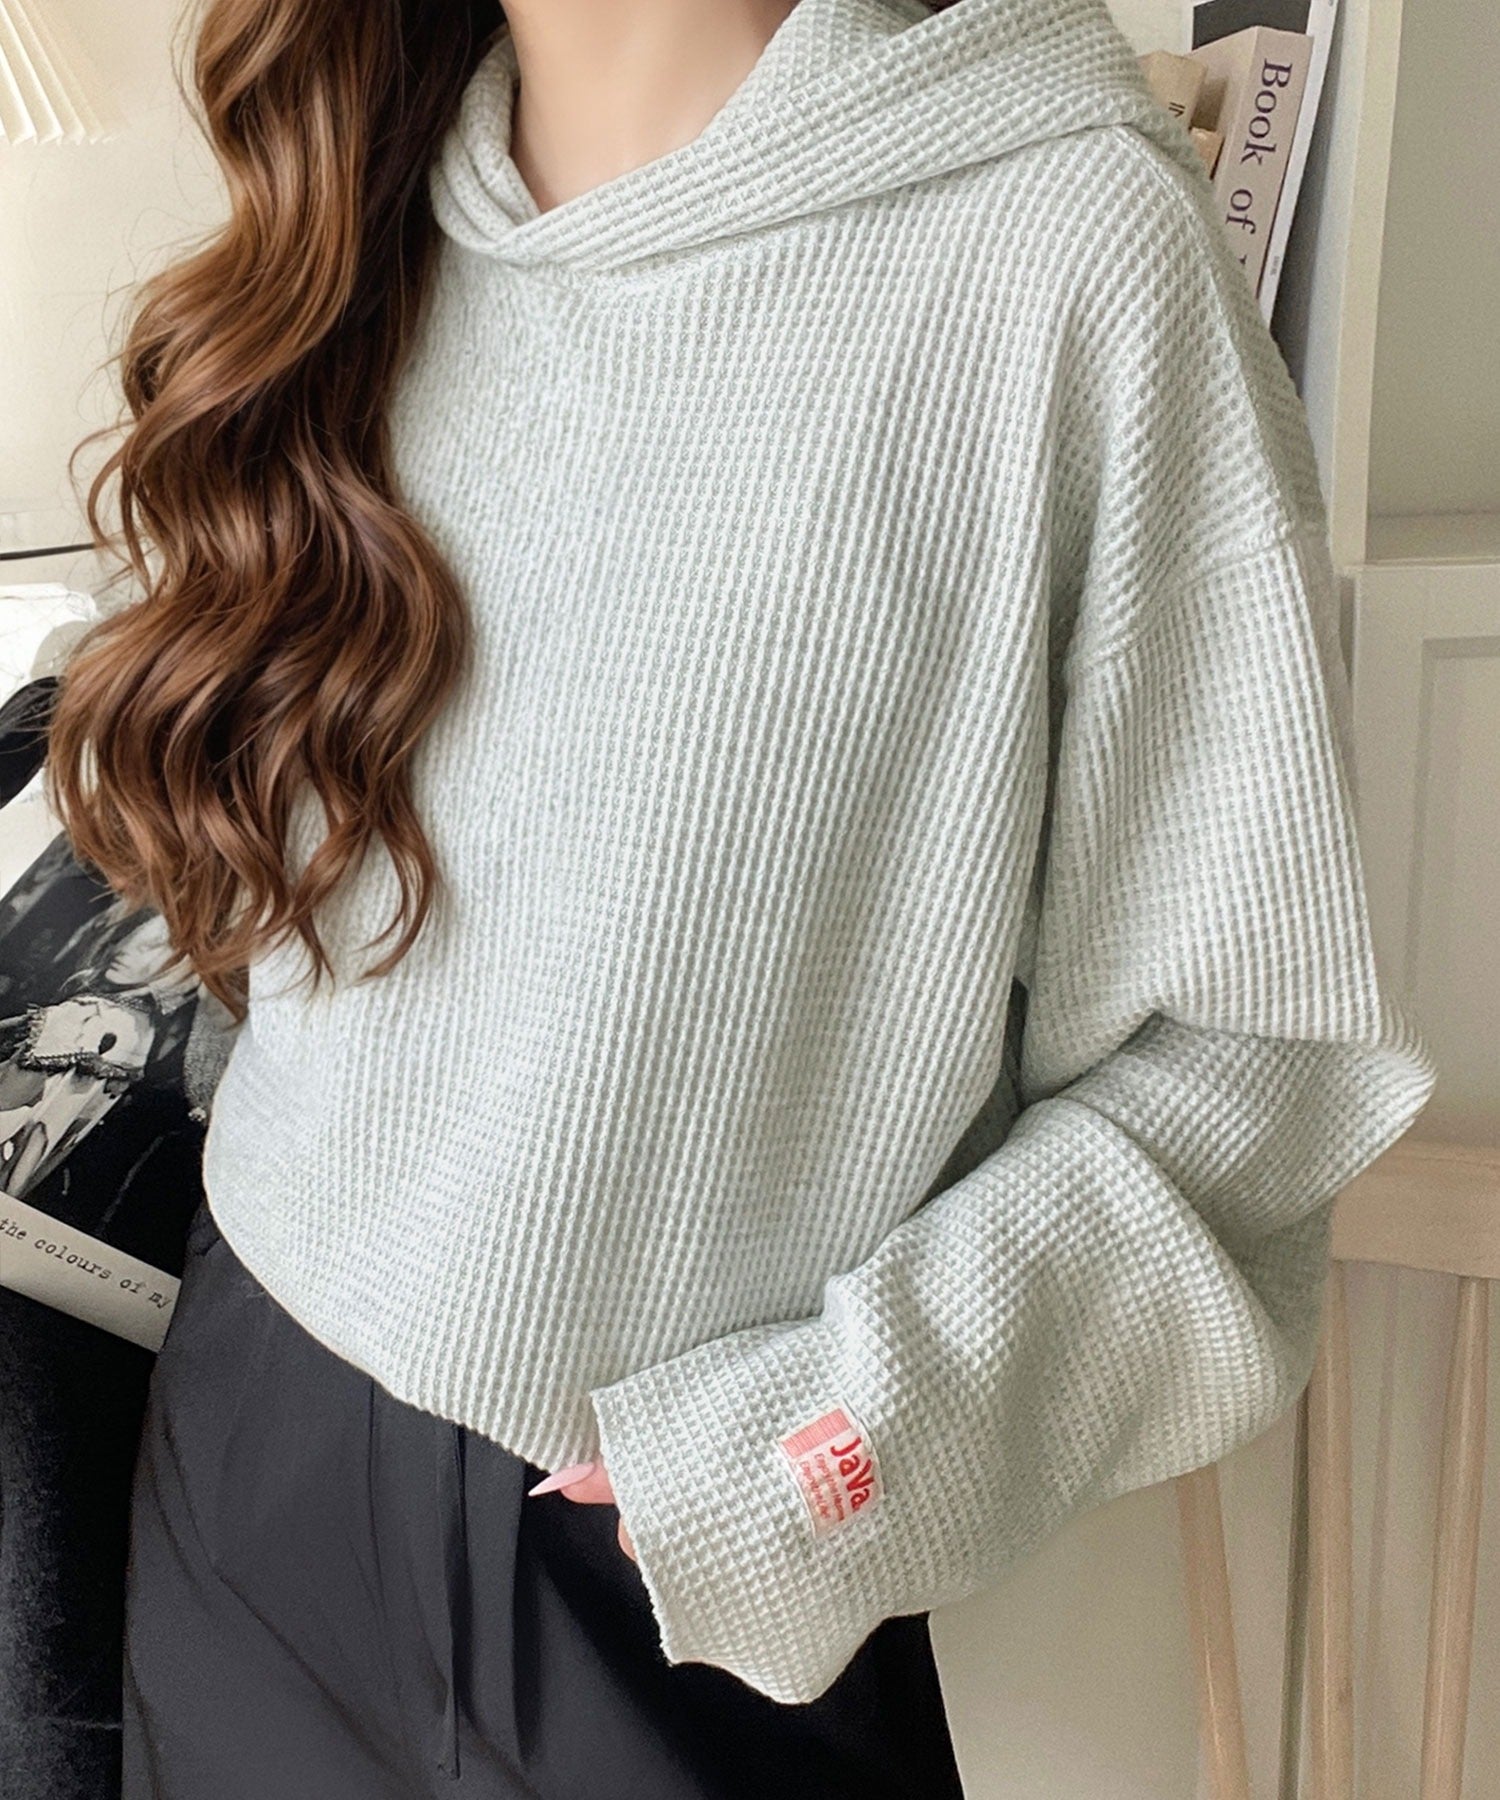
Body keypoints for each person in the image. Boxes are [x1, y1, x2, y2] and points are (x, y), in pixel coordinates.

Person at [44, 0, 1436, 1792]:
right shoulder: (349, 220)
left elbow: (1251, 1064)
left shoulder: (1065, 246)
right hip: (250, 1448)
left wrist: (821, 1449)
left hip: (655, 1558)